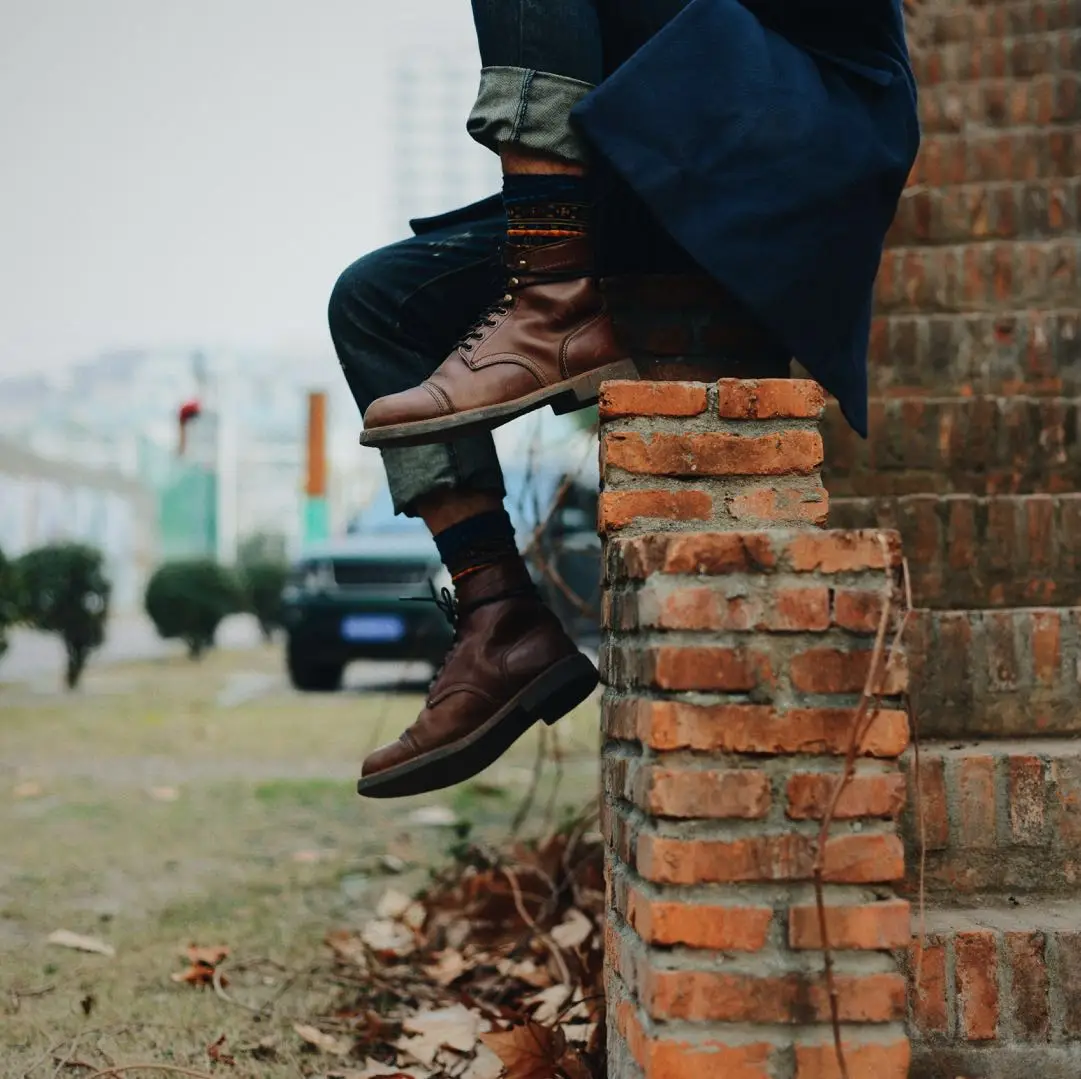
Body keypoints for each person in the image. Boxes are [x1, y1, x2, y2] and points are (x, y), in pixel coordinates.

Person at [330, 0, 920, 799]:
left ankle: (550, 295)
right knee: (371, 303)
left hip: (796, 119)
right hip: (655, 148)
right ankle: (498, 617)